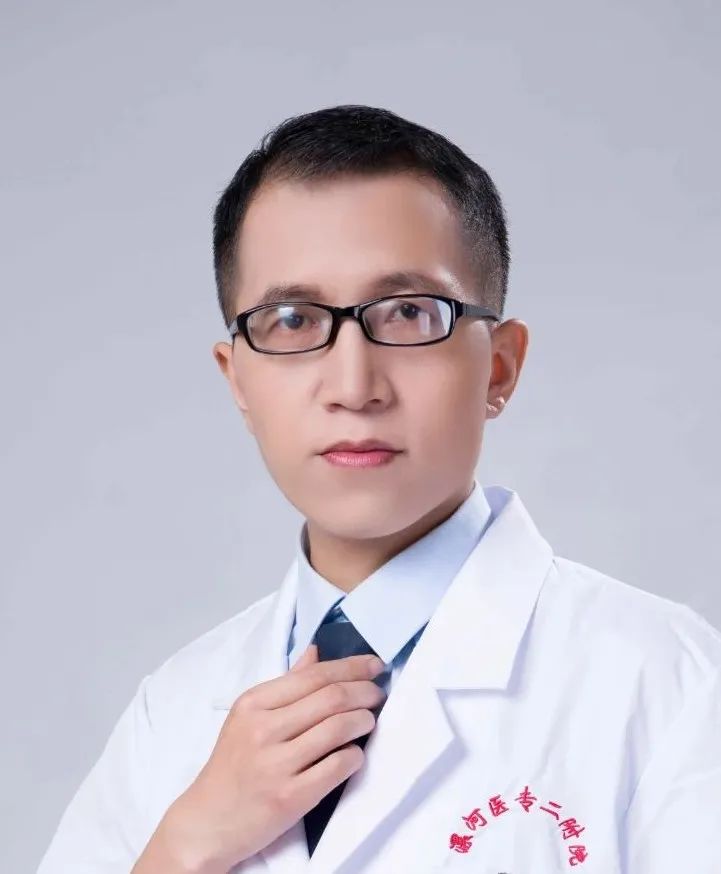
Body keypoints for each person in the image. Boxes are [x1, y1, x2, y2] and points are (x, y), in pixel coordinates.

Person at [37, 104, 721, 874]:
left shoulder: (669, 686)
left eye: (408, 313)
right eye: (292, 320)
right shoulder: (173, 713)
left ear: (498, 367)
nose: (353, 385)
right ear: (237, 382)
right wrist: (185, 846)